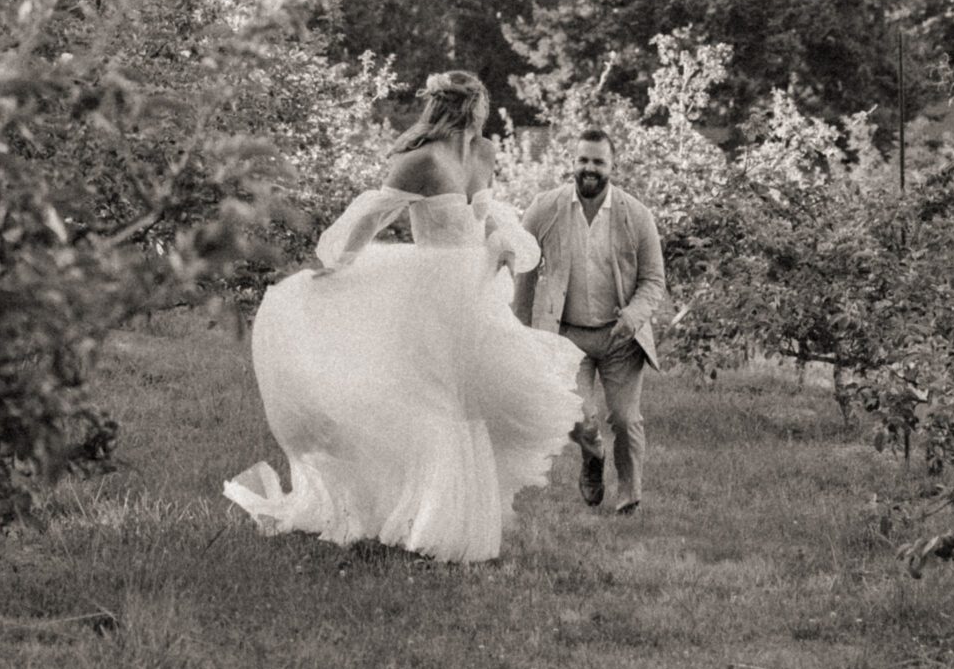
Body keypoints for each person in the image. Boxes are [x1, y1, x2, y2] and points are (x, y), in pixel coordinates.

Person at [223, 70, 582, 563]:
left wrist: (506, 244)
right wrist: (334, 267)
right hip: (435, 293)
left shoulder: (482, 153)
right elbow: (372, 217)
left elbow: (485, 211)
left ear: (436, 105)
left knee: (467, 402)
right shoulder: (421, 161)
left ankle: (452, 526)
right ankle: (433, 525)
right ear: (472, 107)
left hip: (470, 289)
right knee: (437, 402)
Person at [512, 127, 665, 518]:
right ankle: (592, 455)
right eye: (583, 160)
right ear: (573, 163)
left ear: (613, 165)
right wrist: (520, 329)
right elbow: (525, 270)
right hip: (567, 336)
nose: (589, 168)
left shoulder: (636, 215)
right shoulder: (545, 208)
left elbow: (653, 280)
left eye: (598, 161)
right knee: (578, 419)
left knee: (626, 418)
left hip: (620, 338)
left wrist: (633, 315)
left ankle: (629, 498)